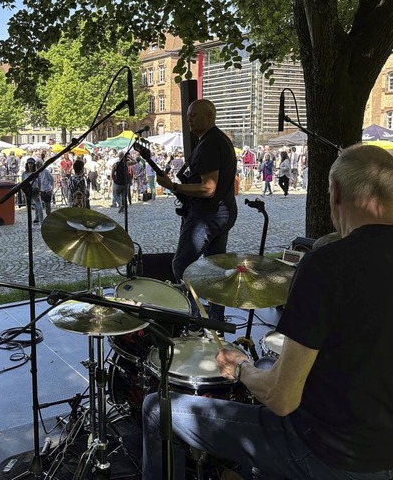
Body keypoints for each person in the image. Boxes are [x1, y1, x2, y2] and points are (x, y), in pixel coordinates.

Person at [142, 144, 393, 480]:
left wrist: (241, 369)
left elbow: (281, 399)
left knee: (156, 409)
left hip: (325, 455)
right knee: (266, 364)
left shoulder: (328, 264)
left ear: (334, 194)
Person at [156, 99, 237, 322]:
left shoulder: (210, 144)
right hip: (222, 213)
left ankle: (196, 316)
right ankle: (215, 318)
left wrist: (173, 186)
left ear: (209, 116)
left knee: (181, 264)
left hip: (208, 215)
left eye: (194, 115)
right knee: (215, 268)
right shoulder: (218, 140)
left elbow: (208, 188)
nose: (189, 120)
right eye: (188, 115)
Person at [21, 157, 44, 224]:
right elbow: (23, 183)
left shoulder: (36, 173)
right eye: (29, 163)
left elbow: (39, 183)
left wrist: (39, 190)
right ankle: (29, 223)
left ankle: (41, 222)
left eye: (31, 163)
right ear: (27, 164)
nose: (30, 165)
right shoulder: (24, 174)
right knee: (28, 208)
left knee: (39, 207)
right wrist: (24, 192)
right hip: (27, 192)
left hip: (35, 191)